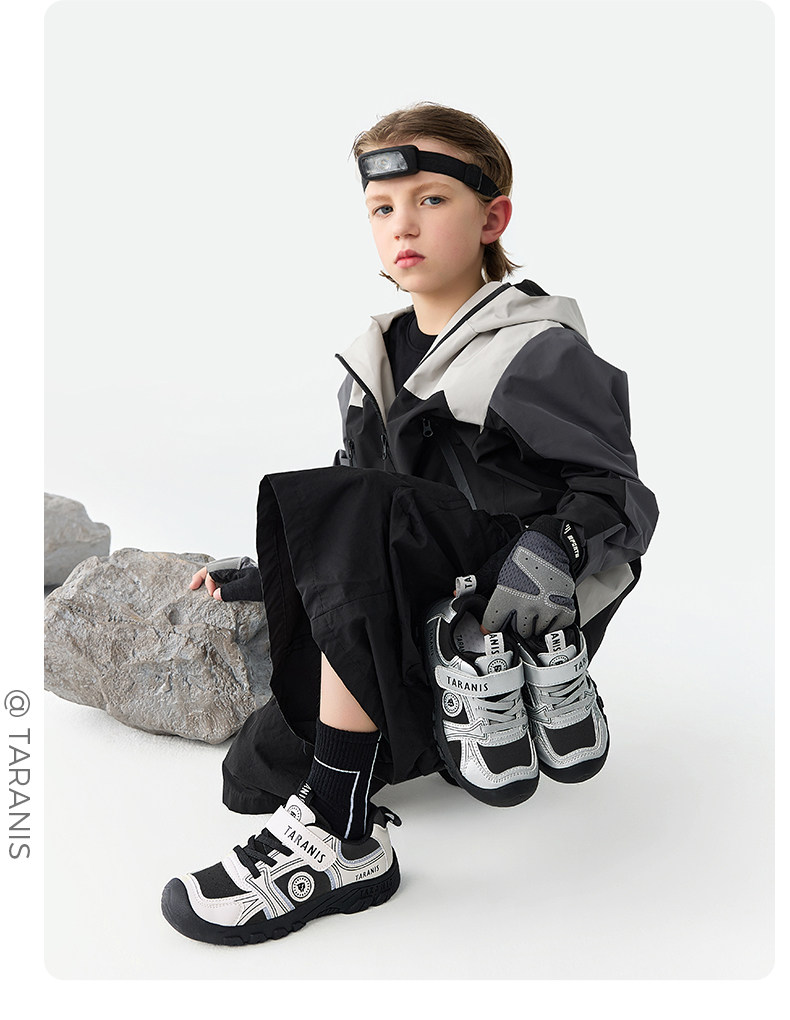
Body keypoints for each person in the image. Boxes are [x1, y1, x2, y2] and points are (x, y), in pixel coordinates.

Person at [160, 102, 659, 946]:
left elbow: (617, 492)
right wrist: (275, 568)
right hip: (405, 589)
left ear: (491, 218)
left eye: (431, 200)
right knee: (253, 774)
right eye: (383, 208)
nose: (404, 225)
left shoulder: (535, 347)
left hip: (504, 603)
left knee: (354, 505)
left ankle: (342, 839)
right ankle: (404, 752)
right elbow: (360, 500)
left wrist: (560, 544)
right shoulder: (371, 360)